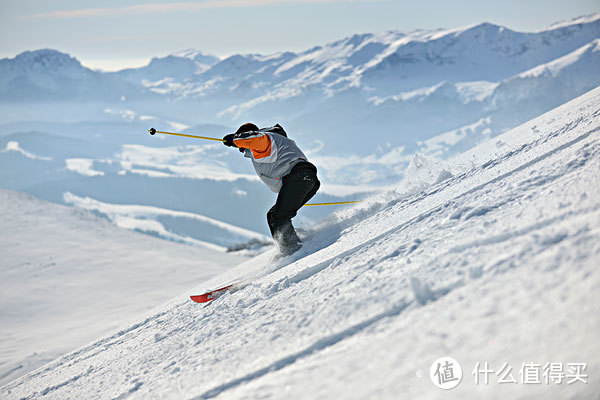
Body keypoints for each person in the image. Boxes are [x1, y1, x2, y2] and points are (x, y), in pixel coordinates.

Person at [223, 123, 320, 256]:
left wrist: (235, 140)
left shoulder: (265, 141)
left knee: (280, 216)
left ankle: (292, 251)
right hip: (303, 179)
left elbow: (254, 138)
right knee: (273, 215)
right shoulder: (270, 143)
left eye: (244, 147)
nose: (244, 150)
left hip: (299, 177)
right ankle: (288, 247)